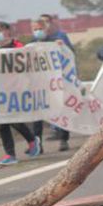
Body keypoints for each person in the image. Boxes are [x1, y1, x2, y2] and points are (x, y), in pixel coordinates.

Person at [0, 22, 41, 165]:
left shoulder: (17, 46)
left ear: (7, 31)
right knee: (3, 122)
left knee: (14, 120)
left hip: (16, 90)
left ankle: (31, 140)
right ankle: (11, 154)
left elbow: (27, 63)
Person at [29, 18, 71, 151]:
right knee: (37, 116)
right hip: (38, 85)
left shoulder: (54, 42)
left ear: (46, 29)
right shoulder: (31, 45)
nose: (38, 31)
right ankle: (38, 144)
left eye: (40, 28)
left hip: (54, 85)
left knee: (60, 111)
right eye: (35, 29)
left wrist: (61, 47)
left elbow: (68, 56)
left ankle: (64, 139)